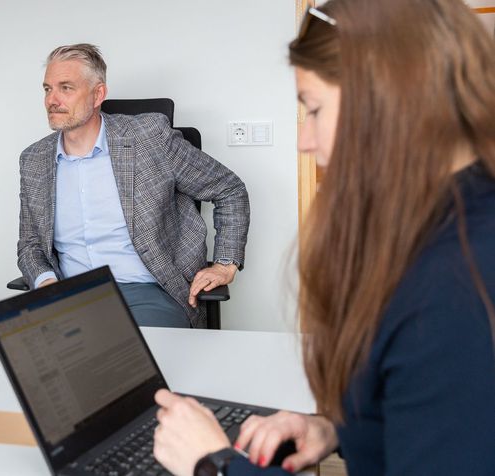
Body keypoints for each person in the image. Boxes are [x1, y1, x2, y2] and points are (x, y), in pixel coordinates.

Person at [152, 0, 495, 474]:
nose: (304, 140)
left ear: (392, 99)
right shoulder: (446, 220)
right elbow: (427, 411)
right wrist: (334, 430)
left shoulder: (456, 287)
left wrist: (214, 463)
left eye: (313, 109)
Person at [17, 44, 250, 328]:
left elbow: (229, 189)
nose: (52, 99)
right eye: (47, 89)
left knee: (124, 363)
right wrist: (46, 284)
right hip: (70, 295)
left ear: (98, 94)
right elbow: (30, 245)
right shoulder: (34, 160)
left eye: (66, 88)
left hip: (146, 292)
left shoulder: (149, 138)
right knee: (31, 359)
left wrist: (225, 263)